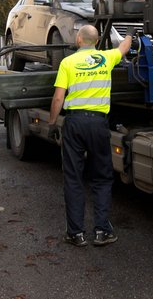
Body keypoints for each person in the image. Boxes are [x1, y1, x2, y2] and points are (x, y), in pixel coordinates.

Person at [47, 24, 131, 247]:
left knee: (73, 178)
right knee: (102, 177)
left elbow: (58, 98)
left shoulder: (68, 62)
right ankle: (102, 231)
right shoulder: (106, 58)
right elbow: (124, 47)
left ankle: (76, 234)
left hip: (74, 123)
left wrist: (52, 121)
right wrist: (131, 34)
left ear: (79, 39)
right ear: (95, 41)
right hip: (98, 124)